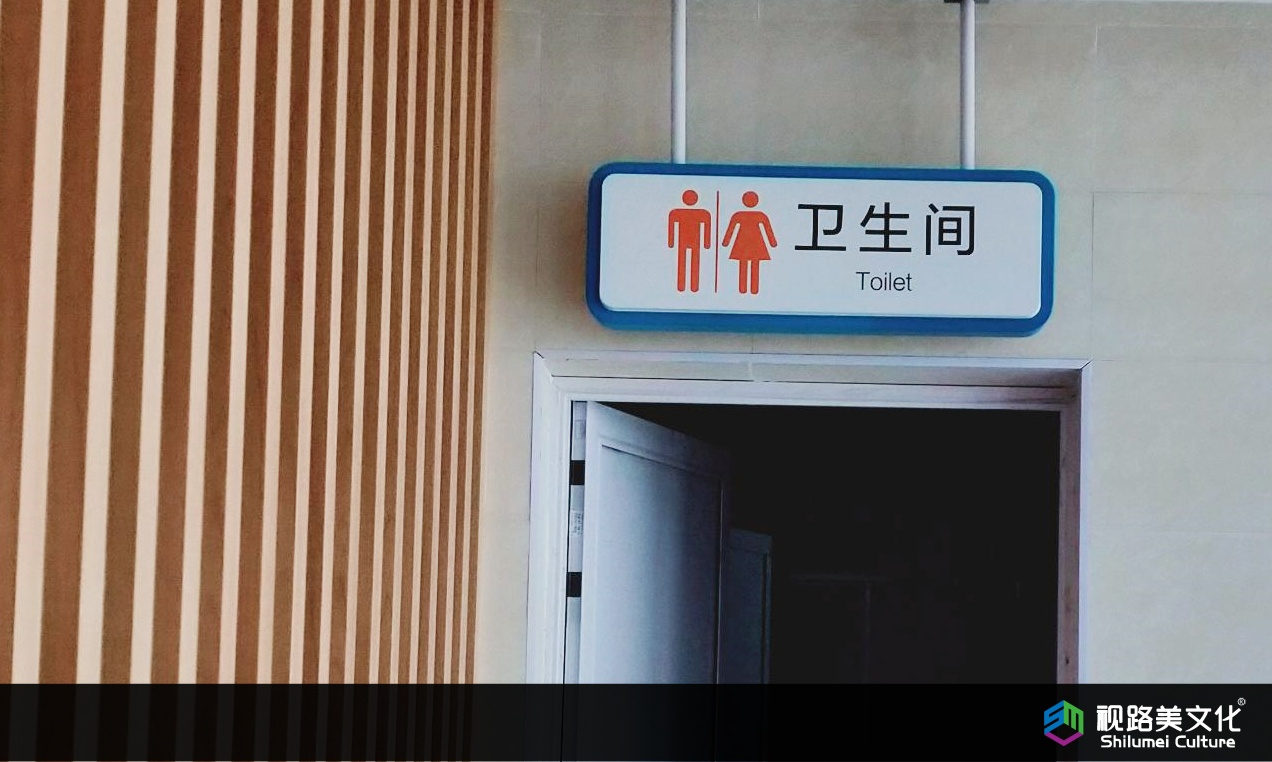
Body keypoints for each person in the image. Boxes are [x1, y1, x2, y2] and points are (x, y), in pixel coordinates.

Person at [722, 191, 777, 295]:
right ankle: (748, 289)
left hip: (748, 243)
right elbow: (768, 230)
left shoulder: (741, 215)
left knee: (747, 264)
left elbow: (731, 230)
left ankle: (747, 289)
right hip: (749, 243)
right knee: (750, 264)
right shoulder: (756, 215)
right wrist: (772, 243)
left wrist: (726, 242)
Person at [666, 189, 712, 293]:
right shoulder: (678, 213)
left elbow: (707, 227)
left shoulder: (702, 213)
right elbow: (671, 227)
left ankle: (691, 286)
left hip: (692, 241)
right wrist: (706, 243)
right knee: (686, 261)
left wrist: (707, 243)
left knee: (690, 261)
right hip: (687, 241)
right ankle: (686, 286)